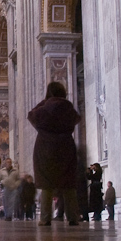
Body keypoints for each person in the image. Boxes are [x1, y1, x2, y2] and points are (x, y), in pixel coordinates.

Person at [28, 82, 81, 226]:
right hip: (65, 146)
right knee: (68, 184)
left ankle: (45, 218)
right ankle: (73, 217)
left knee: (47, 184)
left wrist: (46, 101)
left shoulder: (44, 108)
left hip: (45, 147)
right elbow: (77, 119)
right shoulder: (67, 106)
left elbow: (31, 115)